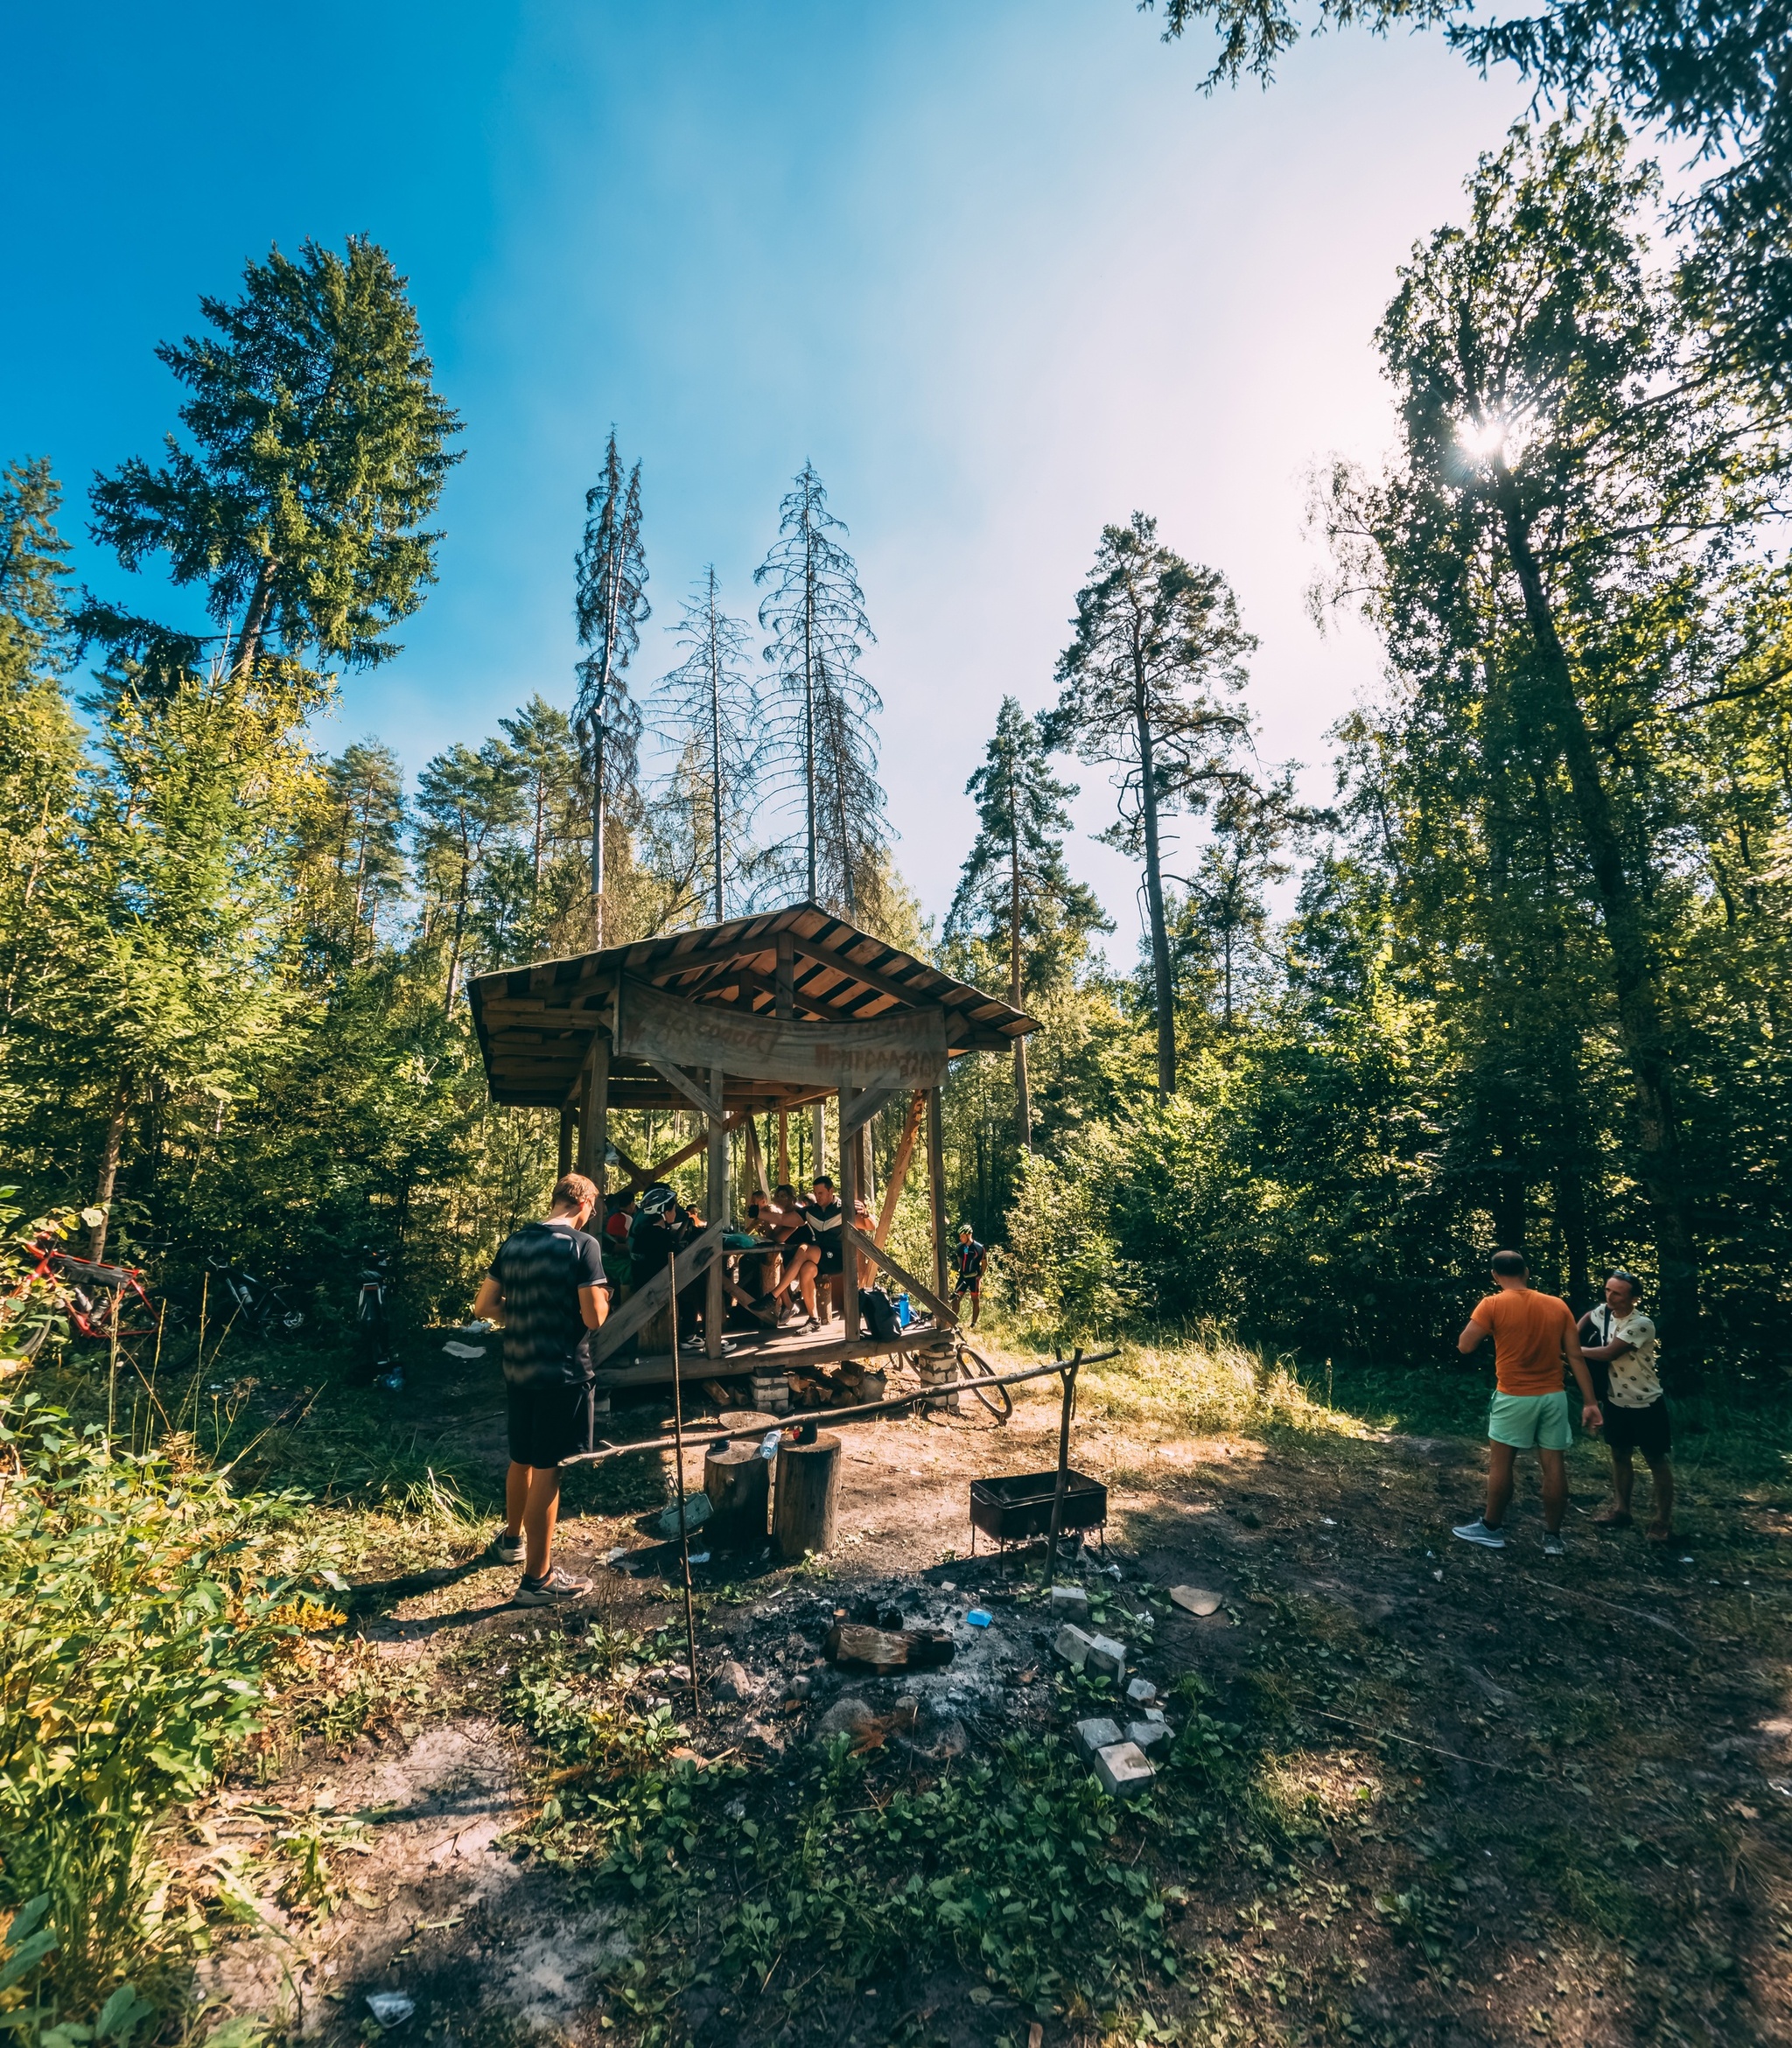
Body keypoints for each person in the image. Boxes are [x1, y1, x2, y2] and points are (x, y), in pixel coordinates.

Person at [472, 1172, 609, 1605]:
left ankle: (511, 1541)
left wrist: (527, 1313)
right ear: (584, 1205)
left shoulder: (514, 1242)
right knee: (549, 1468)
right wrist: (603, 1297)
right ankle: (538, 1579)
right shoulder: (583, 1246)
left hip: (518, 1368)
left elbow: (485, 1306)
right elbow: (593, 1318)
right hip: (562, 1374)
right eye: (592, 1209)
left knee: (522, 1459)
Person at [1452, 1249, 1602, 1555]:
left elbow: (1465, 1346)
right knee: (1554, 1465)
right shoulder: (1557, 1306)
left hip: (1514, 1396)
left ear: (1495, 1275)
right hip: (1554, 1396)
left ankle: (1492, 1528)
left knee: (1502, 1463)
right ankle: (1553, 1539)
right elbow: (1575, 1356)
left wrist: (1494, 1327)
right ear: (1527, 1272)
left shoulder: (1492, 1304)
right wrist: (1590, 1402)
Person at [1579, 1269, 1674, 1541]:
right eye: (1607, 1290)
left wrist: (1572, 1351)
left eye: (1617, 1292)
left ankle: (1662, 1521)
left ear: (1634, 1298)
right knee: (1619, 1455)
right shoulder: (1605, 1312)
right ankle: (1621, 1511)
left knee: (1656, 1459)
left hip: (1646, 1402)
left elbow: (1610, 1352)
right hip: (1615, 1401)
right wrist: (1574, 1334)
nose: (1609, 1296)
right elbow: (1590, 1315)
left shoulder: (1642, 1324)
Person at [808, 1174, 845, 1323]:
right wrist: (760, 1213)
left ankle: (776, 1295)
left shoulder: (843, 1208)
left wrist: (866, 1214)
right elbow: (784, 1219)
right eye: (815, 1193)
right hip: (820, 1259)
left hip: (837, 1259)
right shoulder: (812, 1211)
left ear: (831, 1191)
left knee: (804, 1250)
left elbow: (870, 1225)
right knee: (806, 1269)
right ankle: (813, 1319)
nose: (817, 1197)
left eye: (820, 1193)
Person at [950, 1222, 986, 1329]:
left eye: (962, 1236)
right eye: (960, 1236)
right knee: (956, 1298)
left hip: (974, 1277)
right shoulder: (960, 1247)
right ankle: (953, 1322)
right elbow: (959, 1259)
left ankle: (973, 1324)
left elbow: (984, 1263)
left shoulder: (979, 1248)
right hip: (963, 1277)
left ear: (969, 1235)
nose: (960, 1238)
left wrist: (980, 1275)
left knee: (975, 1299)